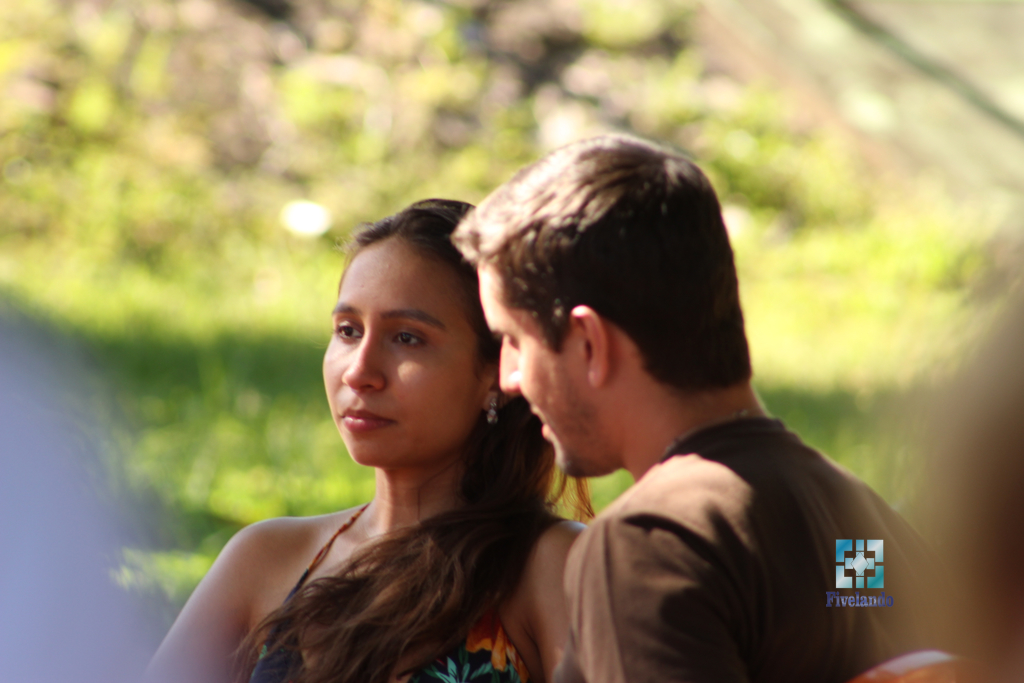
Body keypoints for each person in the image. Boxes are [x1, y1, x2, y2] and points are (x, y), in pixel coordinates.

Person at [454, 134, 943, 683]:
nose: (508, 378)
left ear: (589, 343)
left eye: (515, 340)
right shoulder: (859, 522)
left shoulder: (652, 543)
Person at [146, 199, 589, 683]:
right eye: (348, 331)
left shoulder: (552, 568)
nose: (359, 372)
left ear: (497, 370)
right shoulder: (267, 559)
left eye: (407, 338)